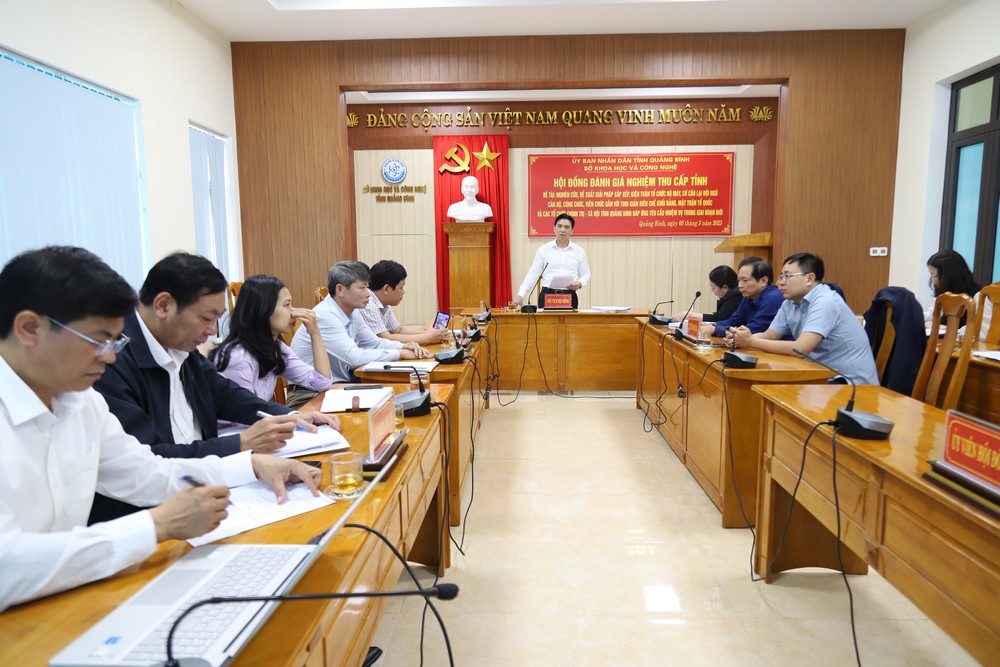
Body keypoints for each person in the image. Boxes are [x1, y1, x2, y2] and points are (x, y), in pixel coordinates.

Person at [0, 246, 321, 611]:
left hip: (68, 596)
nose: (110, 356)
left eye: (115, 341)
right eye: (98, 341)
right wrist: (156, 525)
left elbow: (144, 470)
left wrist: (251, 465)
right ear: (29, 329)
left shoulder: (81, 401)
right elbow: (7, 564)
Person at [91, 253, 337, 522]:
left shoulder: (179, 344)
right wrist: (241, 446)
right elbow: (148, 460)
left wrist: (289, 415)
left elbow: (224, 393)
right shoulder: (109, 364)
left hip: (203, 488)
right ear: (163, 305)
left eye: (217, 319)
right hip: (154, 511)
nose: (211, 330)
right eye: (206, 318)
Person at [730, 252, 879, 385]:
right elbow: (769, 335)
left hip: (849, 383)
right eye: (781, 277)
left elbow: (800, 349)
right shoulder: (789, 302)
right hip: (819, 374)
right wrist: (739, 339)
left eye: (788, 276)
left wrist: (750, 341)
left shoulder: (826, 301)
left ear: (809, 278)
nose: (781, 282)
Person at [290, 261, 430, 397]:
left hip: (336, 385)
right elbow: (354, 358)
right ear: (340, 290)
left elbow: (374, 342)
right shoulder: (326, 315)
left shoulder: (352, 311)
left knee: (397, 394)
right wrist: (399, 353)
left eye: (367, 287)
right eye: (362, 287)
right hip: (308, 393)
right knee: (391, 398)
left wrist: (404, 346)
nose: (368, 293)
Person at [210, 274, 334, 413]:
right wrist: (292, 418)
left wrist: (315, 333)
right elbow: (246, 414)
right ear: (262, 309)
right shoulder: (238, 357)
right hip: (244, 425)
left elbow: (322, 383)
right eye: (286, 305)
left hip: (260, 422)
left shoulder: (275, 347)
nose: (293, 312)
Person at [359, 260, 448, 346]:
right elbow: (385, 339)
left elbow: (398, 330)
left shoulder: (383, 303)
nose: (403, 292)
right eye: (401, 287)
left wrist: (428, 334)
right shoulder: (368, 303)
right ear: (386, 289)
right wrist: (427, 338)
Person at [512, 213, 591, 309]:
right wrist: (521, 294)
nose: (562, 230)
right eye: (559, 226)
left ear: (572, 231)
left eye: (567, 227)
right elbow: (533, 273)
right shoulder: (544, 249)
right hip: (547, 295)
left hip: (569, 295)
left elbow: (586, 274)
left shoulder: (579, 251)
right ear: (554, 229)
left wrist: (580, 283)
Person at [698, 256, 783, 338]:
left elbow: (753, 330)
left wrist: (715, 329)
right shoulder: (748, 297)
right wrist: (712, 325)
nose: (740, 285)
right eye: (739, 280)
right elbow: (733, 321)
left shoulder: (773, 299)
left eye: (745, 280)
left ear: (763, 281)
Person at [926, 249, 979, 328]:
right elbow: (932, 315)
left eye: (936, 276)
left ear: (950, 276)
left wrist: (937, 327)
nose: (933, 280)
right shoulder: (946, 294)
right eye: (932, 275)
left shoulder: (977, 297)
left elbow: (974, 330)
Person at [670, 264, 741, 323]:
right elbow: (719, 314)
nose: (711, 290)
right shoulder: (731, 295)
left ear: (725, 288)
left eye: (713, 288)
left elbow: (718, 318)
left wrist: (689, 315)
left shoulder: (736, 296)